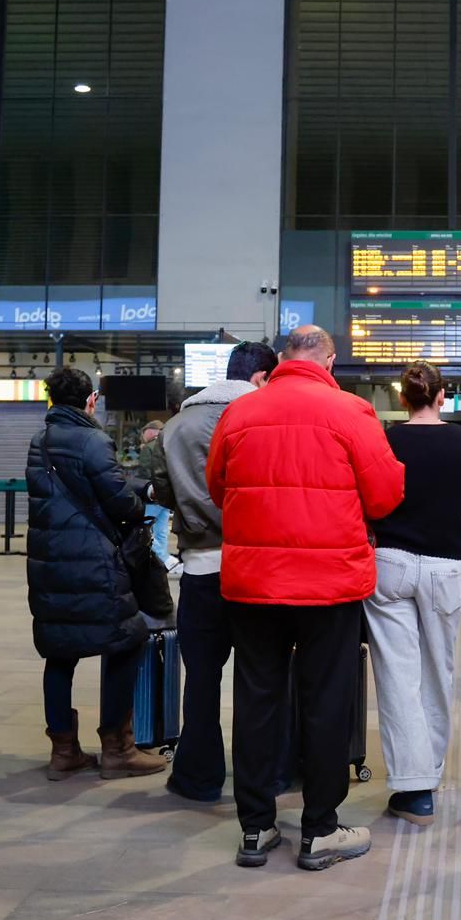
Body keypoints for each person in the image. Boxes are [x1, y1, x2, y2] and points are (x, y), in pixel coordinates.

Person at [208, 325, 405, 870]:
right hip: (329, 586)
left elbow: (218, 487)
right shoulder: (350, 412)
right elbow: (386, 496)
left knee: (255, 700)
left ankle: (256, 829)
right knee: (325, 702)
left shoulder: (240, 412)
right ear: (329, 360)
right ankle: (319, 830)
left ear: (280, 360)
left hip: (253, 582)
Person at [367, 361, 461, 826]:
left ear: (404, 399)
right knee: (437, 672)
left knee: (397, 674)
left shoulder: (386, 440)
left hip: (389, 563)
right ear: (442, 396)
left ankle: (412, 789)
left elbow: (368, 501)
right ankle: (427, 776)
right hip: (445, 569)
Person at [151, 341, 279, 802]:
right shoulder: (263, 419)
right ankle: (264, 778)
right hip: (255, 569)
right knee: (260, 680)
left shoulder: (176, 426)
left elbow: (161, 491)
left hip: (201, 569)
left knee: (202, 681)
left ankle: (197, 778)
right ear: (262, 377)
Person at [25, 367, 168, 781]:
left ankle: (63, 751)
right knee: (128, 641)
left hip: (50, 563)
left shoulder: (41, 441)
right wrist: (145, 505)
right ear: (90, 401)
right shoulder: (93, 439)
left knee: (59, 653)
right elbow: (119, 503)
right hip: (95, 563)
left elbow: (85, 487)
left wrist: (130, 486)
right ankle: (118, 748)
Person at [135, 421, 175, 572]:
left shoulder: (150, 447)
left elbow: (144, 472)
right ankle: (162, 560)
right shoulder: (170, 445)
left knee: (145, 527)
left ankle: (163, 559)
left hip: (152, 494)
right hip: (166, 495)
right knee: (161, 530)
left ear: (151, 432)